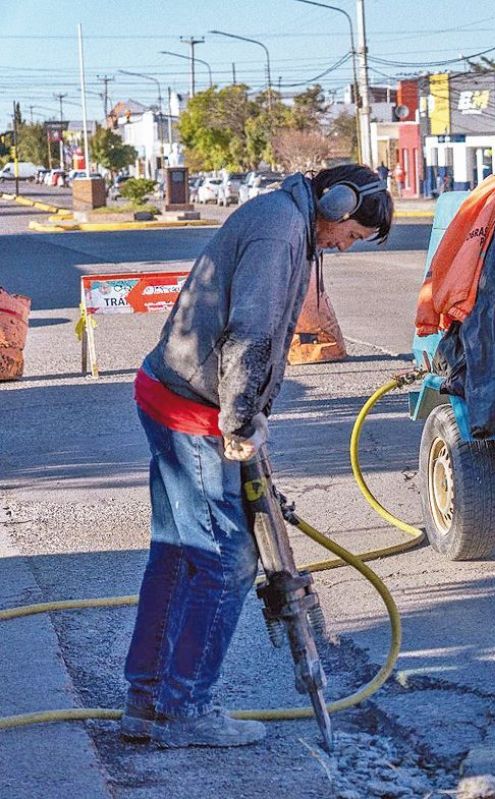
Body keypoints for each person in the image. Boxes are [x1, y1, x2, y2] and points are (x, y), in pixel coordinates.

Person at [122, 164, 393, 748]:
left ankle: (148, 701)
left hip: (174, 395)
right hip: (191, 410)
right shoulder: (280, 231)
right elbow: (251, 333)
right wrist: (240, 421)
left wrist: (245, 414)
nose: (346, 246)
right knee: (226, 560)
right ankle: (184, 709)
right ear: (339, 205)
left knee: (179, 553)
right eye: (352, 235)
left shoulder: (287, 220)